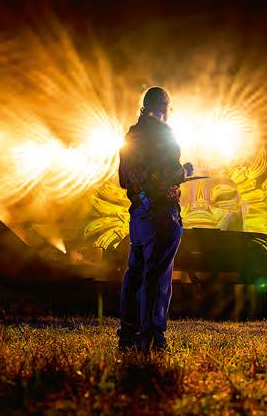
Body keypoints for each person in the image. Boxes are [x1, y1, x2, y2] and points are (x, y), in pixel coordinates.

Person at [117, 86, 192, 352]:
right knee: (157, 278)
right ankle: (152, 338)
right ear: (164, 109)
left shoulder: (131, 135)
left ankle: (128, 335)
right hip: (162, 215)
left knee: (135, 275)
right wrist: (185, 171)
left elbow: (123, 180)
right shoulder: (163, 134)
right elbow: (172, 173)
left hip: (138, 215)